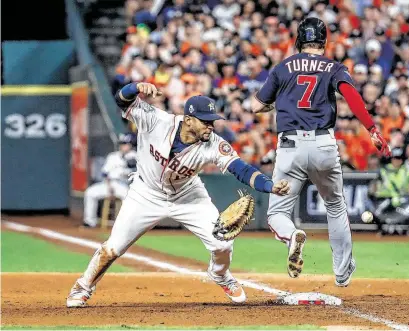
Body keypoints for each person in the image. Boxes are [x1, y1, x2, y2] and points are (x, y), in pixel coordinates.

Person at [66, 82, 290, 307]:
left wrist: (268, 186)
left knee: (222, 244)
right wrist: (135, 87)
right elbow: (121, 100)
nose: (210, 127)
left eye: (212, 122)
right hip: (146, 193)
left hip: (188, 195)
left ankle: (220, 275)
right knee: (114, 247)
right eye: (205, 121)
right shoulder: (156, 120)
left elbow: (240, 169)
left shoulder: (214, 144)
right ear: (189, 119)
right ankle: (83, 286)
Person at [251, 17, 391, 287]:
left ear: (299, 39)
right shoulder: (333, 67)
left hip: (290, 146)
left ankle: (292, 235)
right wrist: (372, 128)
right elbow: (351, 95)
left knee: (277, 213)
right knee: (336, 206)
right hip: (324, 144)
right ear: (324, 41)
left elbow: (256, 106)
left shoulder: (283, 67)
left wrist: (276, 104)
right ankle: (341, 272)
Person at [82, 133, 137, 228]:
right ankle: (90, 221)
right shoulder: (113, 156)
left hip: (124, 186)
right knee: (90, 192)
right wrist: (109, 186)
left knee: (129, 198)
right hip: (109, 184)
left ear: (132, 145)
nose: (122, 146)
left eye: (125, 144)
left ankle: (127, 225)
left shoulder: (136, 157)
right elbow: (105, 173)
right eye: (122, 144)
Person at [369, 147, 409, 235]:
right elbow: (374, 188)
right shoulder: (383, 171)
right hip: (385, 200)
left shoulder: (407, 171)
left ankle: (408, 231)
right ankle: (382, 230)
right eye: (395, 158)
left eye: (399, 158)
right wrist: (374, 195)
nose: (397, 161)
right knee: (373, 212)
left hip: (403, 200)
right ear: (391, 159)